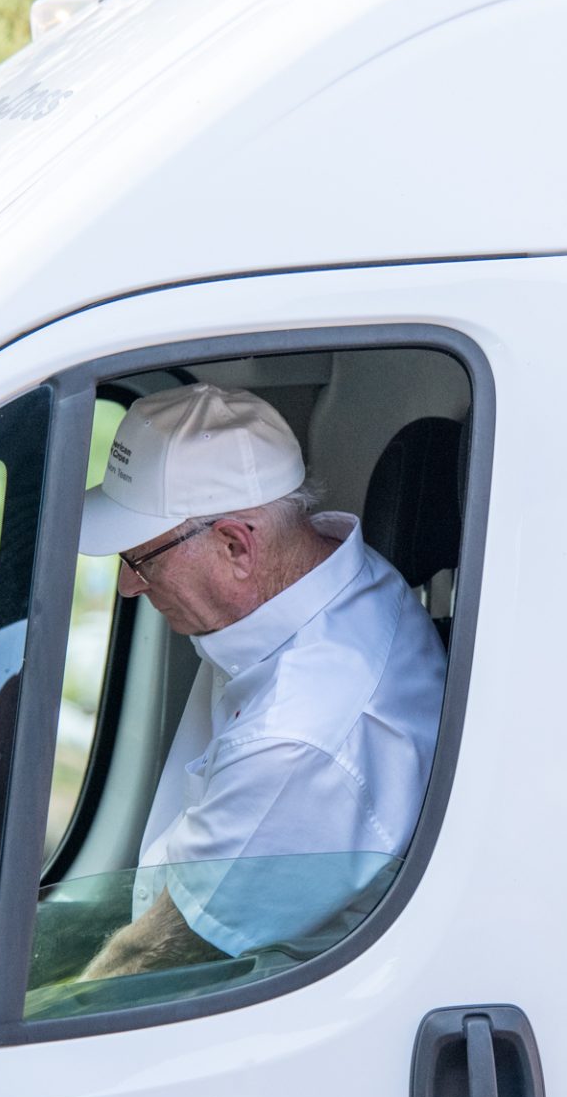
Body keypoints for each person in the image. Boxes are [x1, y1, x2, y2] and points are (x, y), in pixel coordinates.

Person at [76, 383, 447, 978]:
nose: (128, 586)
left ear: (236, 545)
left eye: (140, 560)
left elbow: (148, 962)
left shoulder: (299, 739)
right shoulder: (324, 579)